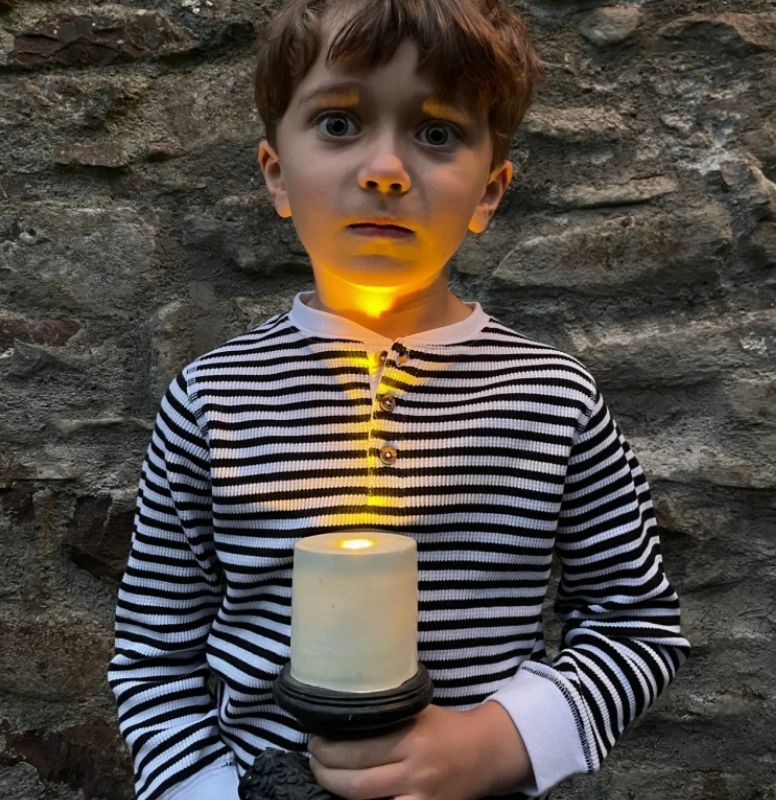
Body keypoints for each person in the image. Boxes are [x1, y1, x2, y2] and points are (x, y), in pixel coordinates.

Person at [108, 1, 691, 799]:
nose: (385, 167)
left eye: (437, 133)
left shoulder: (555, 398)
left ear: (488, 192)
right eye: (341, 123)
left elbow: (636, 625)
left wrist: (496, 742)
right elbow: (154, 653)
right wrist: (207, 791)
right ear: (278, 174)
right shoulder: (212, 399)